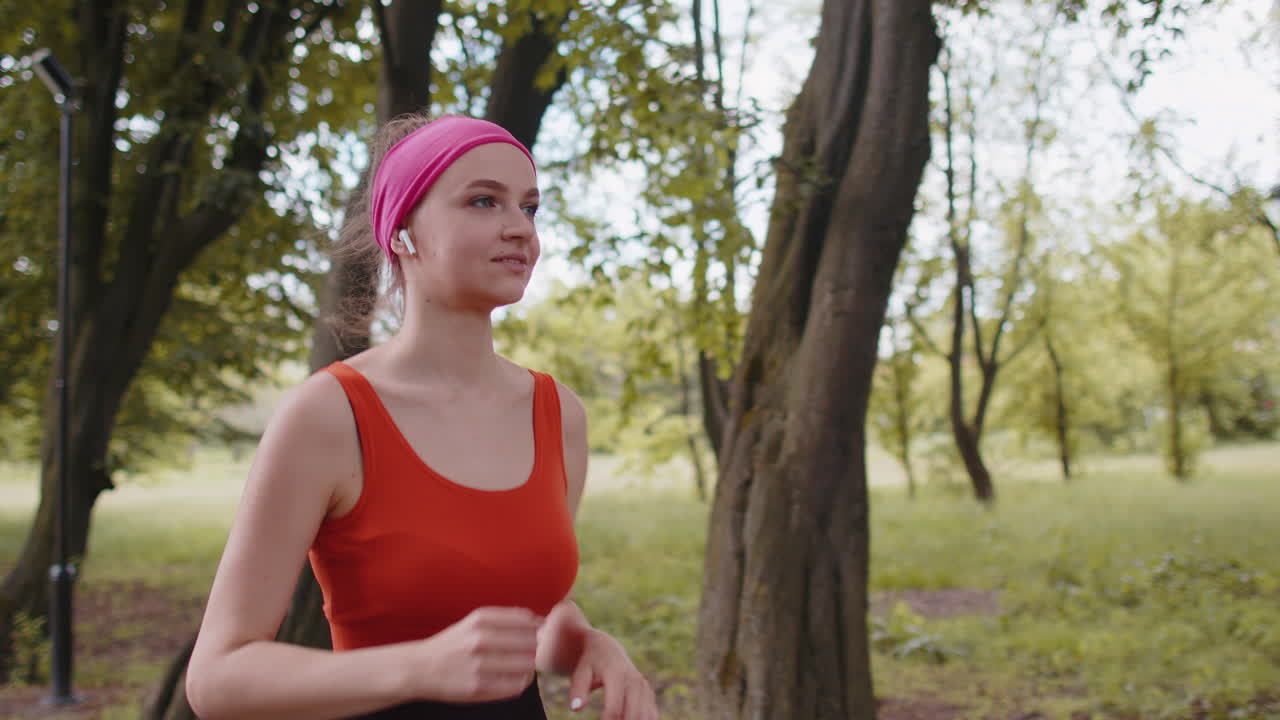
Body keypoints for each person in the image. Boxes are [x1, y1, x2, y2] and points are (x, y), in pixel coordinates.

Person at [186, 114, 659, 720]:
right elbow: (218, 677)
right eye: (484, 201)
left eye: (530, 207)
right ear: (402, 231)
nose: (519, 227)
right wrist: (420, 667)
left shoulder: (557, 413)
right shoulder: (330, 415)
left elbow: (533, 617)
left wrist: (591, 645)